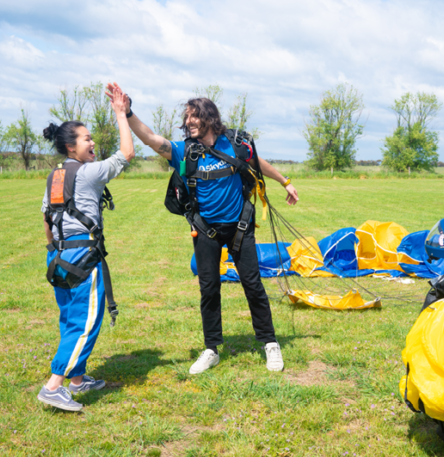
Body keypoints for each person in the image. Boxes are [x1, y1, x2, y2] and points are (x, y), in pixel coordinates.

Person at [106, 83, 299, 375]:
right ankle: (211, 349)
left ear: (209, 117)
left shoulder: (234, 144)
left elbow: (258, 163)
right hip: (205, 230)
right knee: (208, 289)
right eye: (186, 117)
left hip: (240, 227)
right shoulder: (185, 152)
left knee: (253, 285)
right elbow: (149, 139)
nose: (188, 122)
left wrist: (285, 182)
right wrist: (127, 112)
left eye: (193, 116)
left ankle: (270, 343)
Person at [37, 87, 135, 411]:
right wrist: (121, 113)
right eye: (87, 139)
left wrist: (56, 250)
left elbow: (47, 219)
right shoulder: (90, 173)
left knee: (69, 319)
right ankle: (54, 386)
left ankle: (78, 380)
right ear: (71, 146)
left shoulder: (55, 175)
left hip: (59, 258)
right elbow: (126, 154)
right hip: (82, 258)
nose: (92, 144)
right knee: (85, 322)